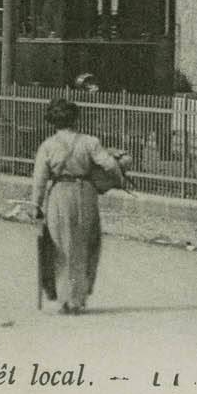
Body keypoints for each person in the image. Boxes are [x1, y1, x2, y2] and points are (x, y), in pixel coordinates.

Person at [29, 97, 123, 315]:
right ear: (76, 119)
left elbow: (40, 180)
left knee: (61, 246)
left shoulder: (48, 145)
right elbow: (110, 165)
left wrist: (35, 205)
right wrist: (116, 180)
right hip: (86, 193)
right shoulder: (90, 142)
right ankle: (78, 298)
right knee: (86, 244)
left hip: (59, 196)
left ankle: (64, 299)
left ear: (52, 121)